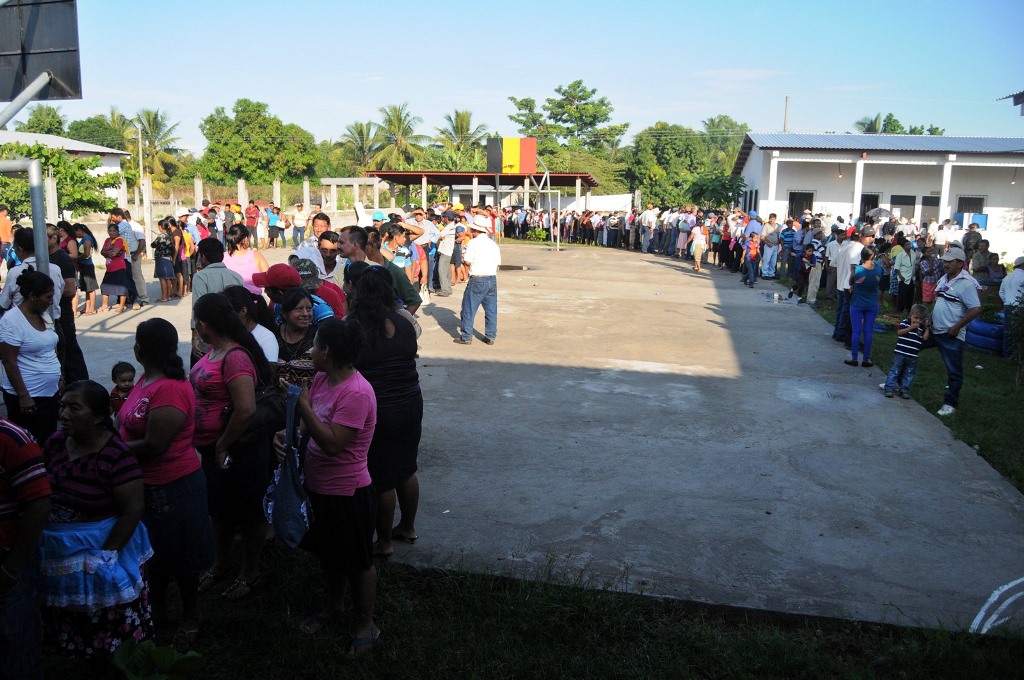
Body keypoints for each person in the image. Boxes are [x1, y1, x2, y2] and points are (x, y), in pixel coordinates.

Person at [275, 317, 379, 657]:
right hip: (318, 488)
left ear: (328, 351)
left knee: (358, 561)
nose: (311, 349)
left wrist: (301, 403)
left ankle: (366, 625)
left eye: (316, 344)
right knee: (331, 555)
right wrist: (287, 435)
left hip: (348, 493)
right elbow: (310, 428)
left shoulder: (357, 393)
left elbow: (334, 444)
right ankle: (332, 608)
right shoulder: (321, 379)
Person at [37, 380, 153, 661]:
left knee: (103, 620)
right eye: (62, 406)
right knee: (65, 615)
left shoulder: (116, 455)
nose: (63, 414)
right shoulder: (55, 443)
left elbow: (132, 510)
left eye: (74, 408)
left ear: (100, 416)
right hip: (60, 553)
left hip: (101, 553)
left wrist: (106, 555)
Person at [117, 318, 213, 650]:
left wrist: (108, 449)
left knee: (183, 558)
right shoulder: (147, 379)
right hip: (147, 488)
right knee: (153, 556)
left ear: (140, 349)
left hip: (173, 487)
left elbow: (156, 445)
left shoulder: (170, 388)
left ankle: (190, 616)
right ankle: (157, 609)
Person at [190, 293, 273, 600]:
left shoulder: (235, 356)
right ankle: (220, 564)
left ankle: (250, 573)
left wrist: (223, 445)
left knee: (249, 513)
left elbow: (246, 409)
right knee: (219, 511)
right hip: (214, 451)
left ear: (204, 323)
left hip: (239, 451)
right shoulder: (213, 350)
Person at [349, 267, 422, 559]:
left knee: (381, 477)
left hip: (378, 408)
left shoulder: (356, 326)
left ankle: (384, 541)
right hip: (410, 402)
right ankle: (407, 526)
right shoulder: (405, 319)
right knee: (407, 467)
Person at [0, 414, 51, 680]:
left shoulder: (12, 439)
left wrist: (10, 569)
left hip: (7, 562)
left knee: (15, 643)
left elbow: (39, 505)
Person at [0, 268, 62, 446]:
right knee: (30, 445)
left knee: (48, 441)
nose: (51, 302)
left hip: (49, 394)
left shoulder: (43, 315)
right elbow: (9, 361)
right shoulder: (11, 321)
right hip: (29, 398)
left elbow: (49, 349)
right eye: (48, 297)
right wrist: (24, 396)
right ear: (33, 296)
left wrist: (59, 378)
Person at [926, 247, 982, 417]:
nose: (945, 264)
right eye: (944, 261)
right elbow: (939, 302)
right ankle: (896, 381)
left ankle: (950, 404)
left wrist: (956, 327)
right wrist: (929, 317)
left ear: (960, 263)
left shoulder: (966, 284)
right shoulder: (945, 279)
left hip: (951, 335)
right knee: (909, 347)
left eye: (950, 261)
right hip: (934, 329)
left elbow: (976, 309)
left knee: (954, 371)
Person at [190, 238, 244, 366]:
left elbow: (197, 309)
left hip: (210, 335)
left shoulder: (201, 277)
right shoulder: (236, 276)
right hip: (232, 334)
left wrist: (195, 337)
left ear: (203, 256)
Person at [454, 221, 500, 345]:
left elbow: (468, 261)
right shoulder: (493, 244)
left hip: (477, 278)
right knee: (491, 309)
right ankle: (490, 336)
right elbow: (497, 262)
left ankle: (466, 336)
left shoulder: (473, 243)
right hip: (491, 278)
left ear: (475, 231)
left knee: (469, 308)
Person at [883, 304, 931, 399]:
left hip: (913, 356)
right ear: (910, 315)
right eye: (916, 317)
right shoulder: (906, 322)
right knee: (895, 370)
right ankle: (889, 388)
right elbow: (899, 332)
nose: (917, 321)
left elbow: (925, 338)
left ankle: (904, 390)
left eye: (920, 319)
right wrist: (911, 327)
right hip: (901, 353)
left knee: (909, 373)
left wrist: (927, 328)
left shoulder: (921, 328)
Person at [223, 285, 279, 363]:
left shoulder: (266, 338)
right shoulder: (227, 334)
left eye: (228, 313)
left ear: (243, 311)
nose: (225, 318)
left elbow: (268, 372)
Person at [845, 246, 882, 368]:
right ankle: (866, 359)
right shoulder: (878, 270)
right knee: (868, 331)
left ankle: (854, 358)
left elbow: (851, 282)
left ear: (862, 256)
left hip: (857, 303)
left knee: (856, 331)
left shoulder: (858, 270)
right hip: (872, 304)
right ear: (874, 256)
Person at [223, 223, 269, 295]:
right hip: (253, 300)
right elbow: (268, 278)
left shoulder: (222, 257)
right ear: (245, 239)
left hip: (230, 300)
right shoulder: (256, 255)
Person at [275, 287, 317, 362]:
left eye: (309, 308)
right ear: (285, 313)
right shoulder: (273, 335)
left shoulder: (317, 336)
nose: (305, 314)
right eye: (299, 309)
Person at [100, 223, 130, 313]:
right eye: (110, 231)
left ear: (117, 232)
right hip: (109, 269)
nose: (112, 233)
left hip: (119, 267)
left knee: (121, 288)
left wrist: (107, 252)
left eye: (114, 231)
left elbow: (114, 253)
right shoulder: (107, 240)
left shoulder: (119, 240)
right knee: (105, 286)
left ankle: (121, 306)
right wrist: (107, 252)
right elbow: (102, 251)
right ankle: (104, 305)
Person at [75, 223, 100, 315]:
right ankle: (87, 307)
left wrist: (76, 258)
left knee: (91, 288)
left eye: (76, 233)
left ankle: (92, 308)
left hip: (87, 266)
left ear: (79, 231)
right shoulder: (85, 238)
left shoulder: (87, 239)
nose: (76, 235)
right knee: (86, 288)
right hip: (84, 266)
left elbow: (86, 254)